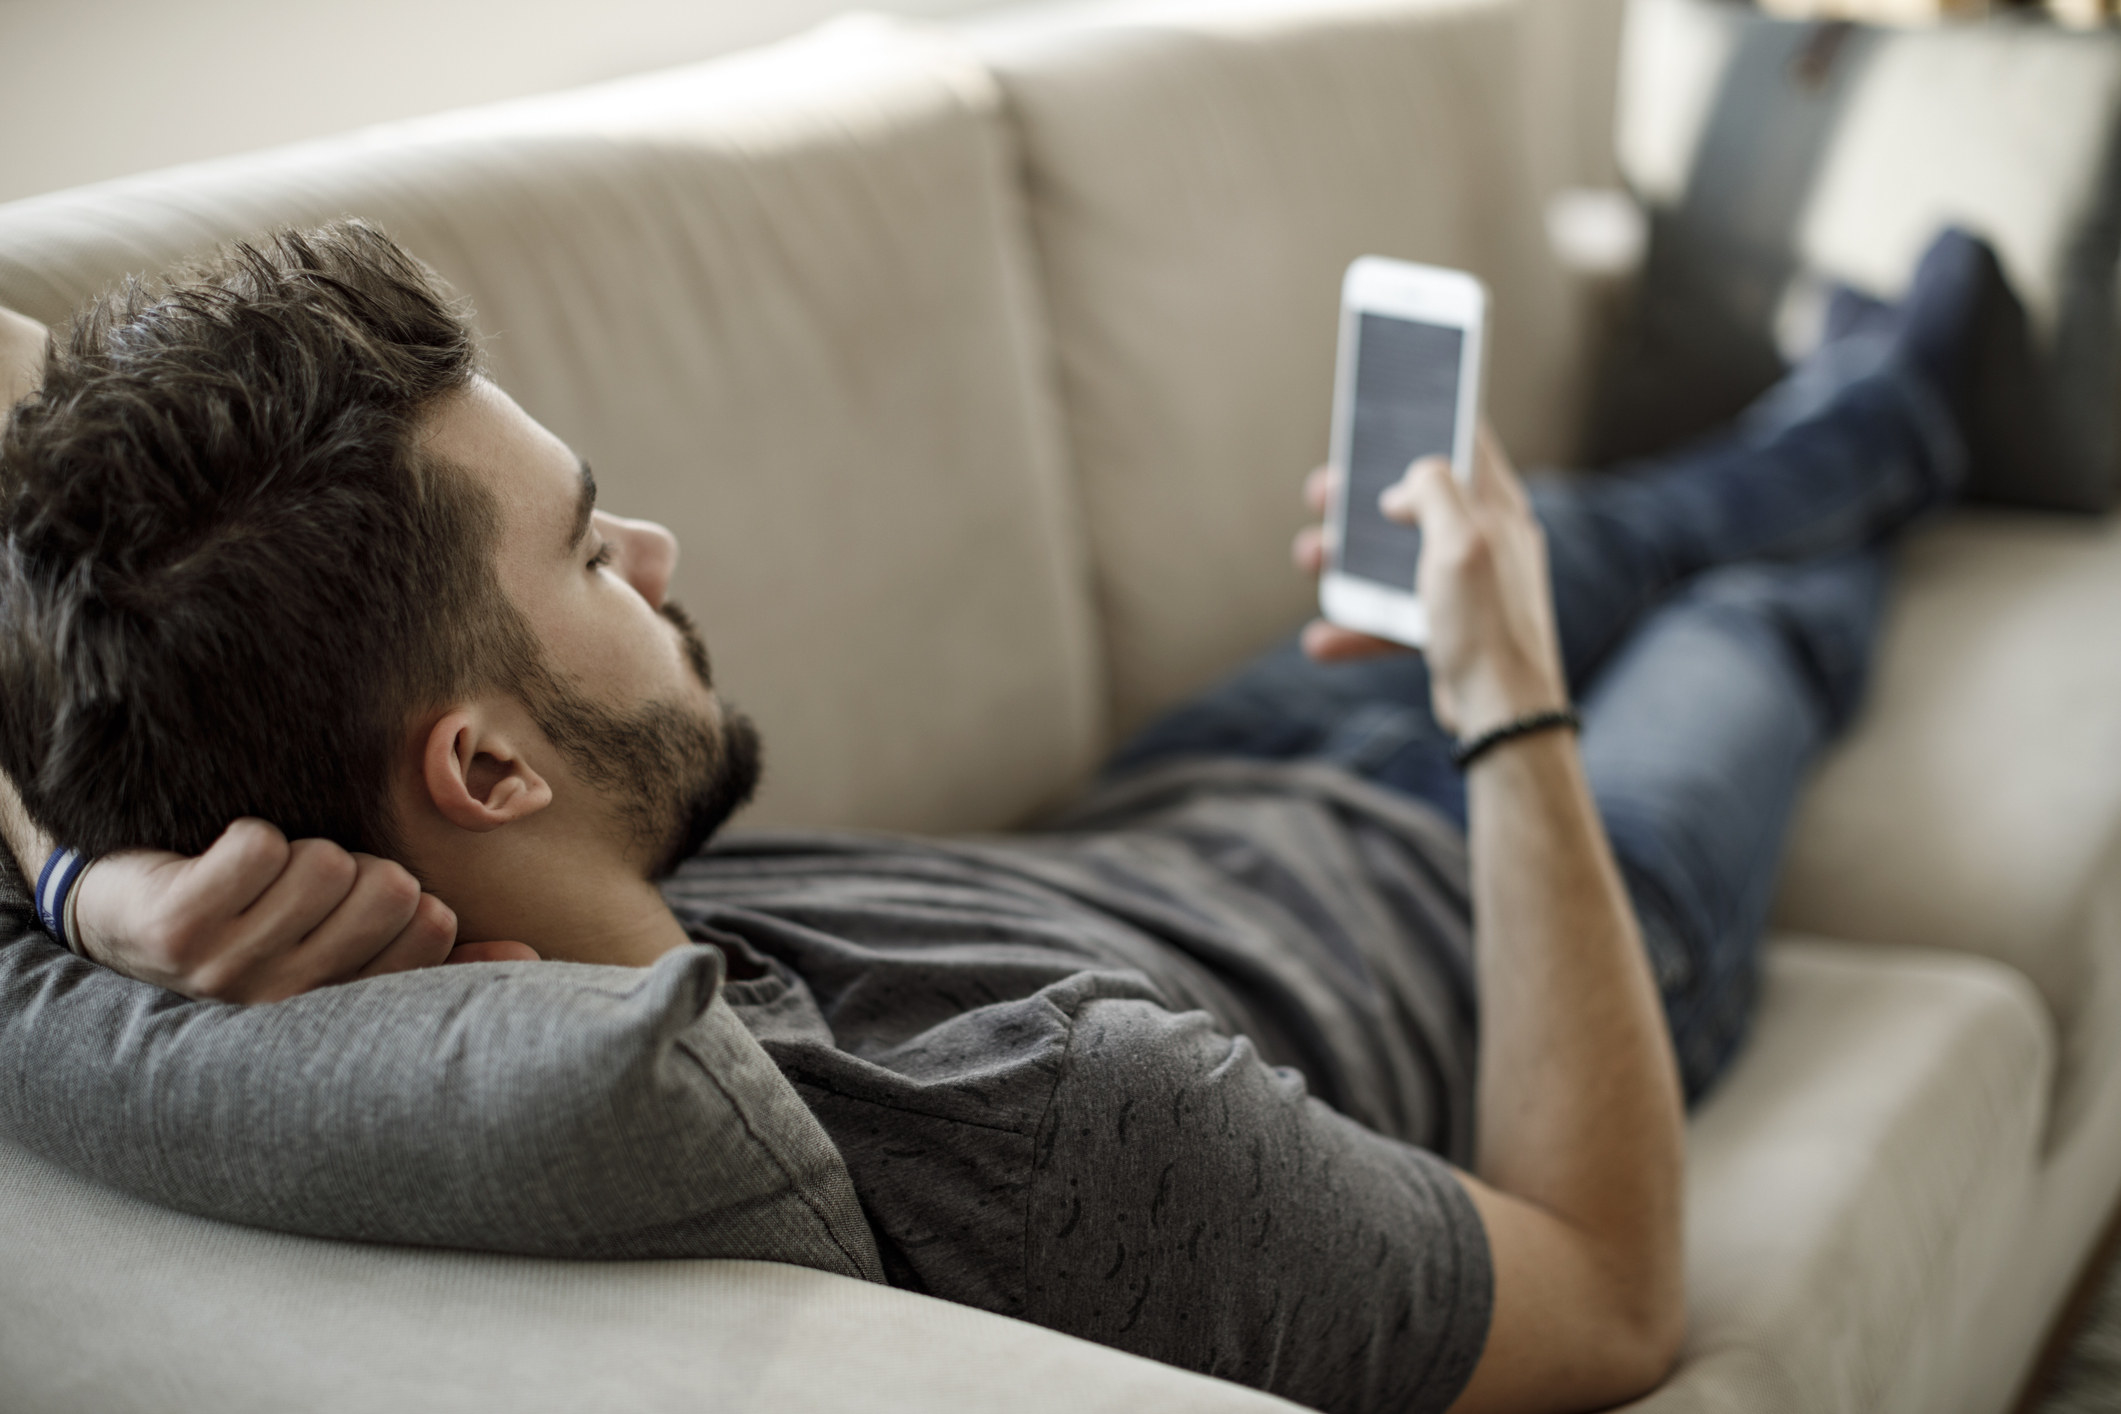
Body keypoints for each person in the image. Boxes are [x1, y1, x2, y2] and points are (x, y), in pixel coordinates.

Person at [0, 220, 2024, 1414]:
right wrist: (1507, 711)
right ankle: (1915, 403)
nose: (654, 540)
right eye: (584, 554)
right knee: (1749, 626)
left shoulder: (301, 937)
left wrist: (84, 892)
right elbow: (1609, 1291)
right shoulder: (1050, 1135)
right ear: (486, 768)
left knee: (1568, 524)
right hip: (1493, 924)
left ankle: (1847, 402)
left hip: (1163, 819)